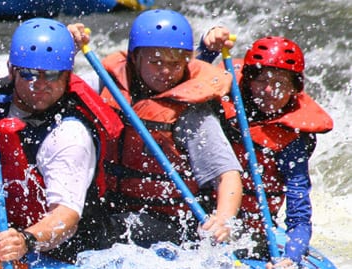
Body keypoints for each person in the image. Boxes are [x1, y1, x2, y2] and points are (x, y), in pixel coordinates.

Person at [0, 17, 123, 263]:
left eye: (51, 75)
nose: (39, 84)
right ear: (12, 70)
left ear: (67, 75)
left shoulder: (70, 135)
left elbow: (66, 216)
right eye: (28, 74)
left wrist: (25, 240)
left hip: (57, 251)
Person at [68, 9, 243, 248]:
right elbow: (57, 90)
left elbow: (227, 176)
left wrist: (223, 220)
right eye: (155, 61)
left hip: (169, 221)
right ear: (135, 58)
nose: (164, 71)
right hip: (110, 203)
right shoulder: (107, 82)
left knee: (107, 230)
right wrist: (68, 52)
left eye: (174, 64)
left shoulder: (192, 113)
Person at [198, 30, 334, 269]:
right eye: (261, 80)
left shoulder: (292, 141)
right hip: (206, 221)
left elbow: (299, 216)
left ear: (295, 88)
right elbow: (188, 86)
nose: (270, 91)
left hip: (253, 232)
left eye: (281, 83)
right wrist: (207, 49)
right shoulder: (222, 106)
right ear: (248, 80)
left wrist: (290, 259)